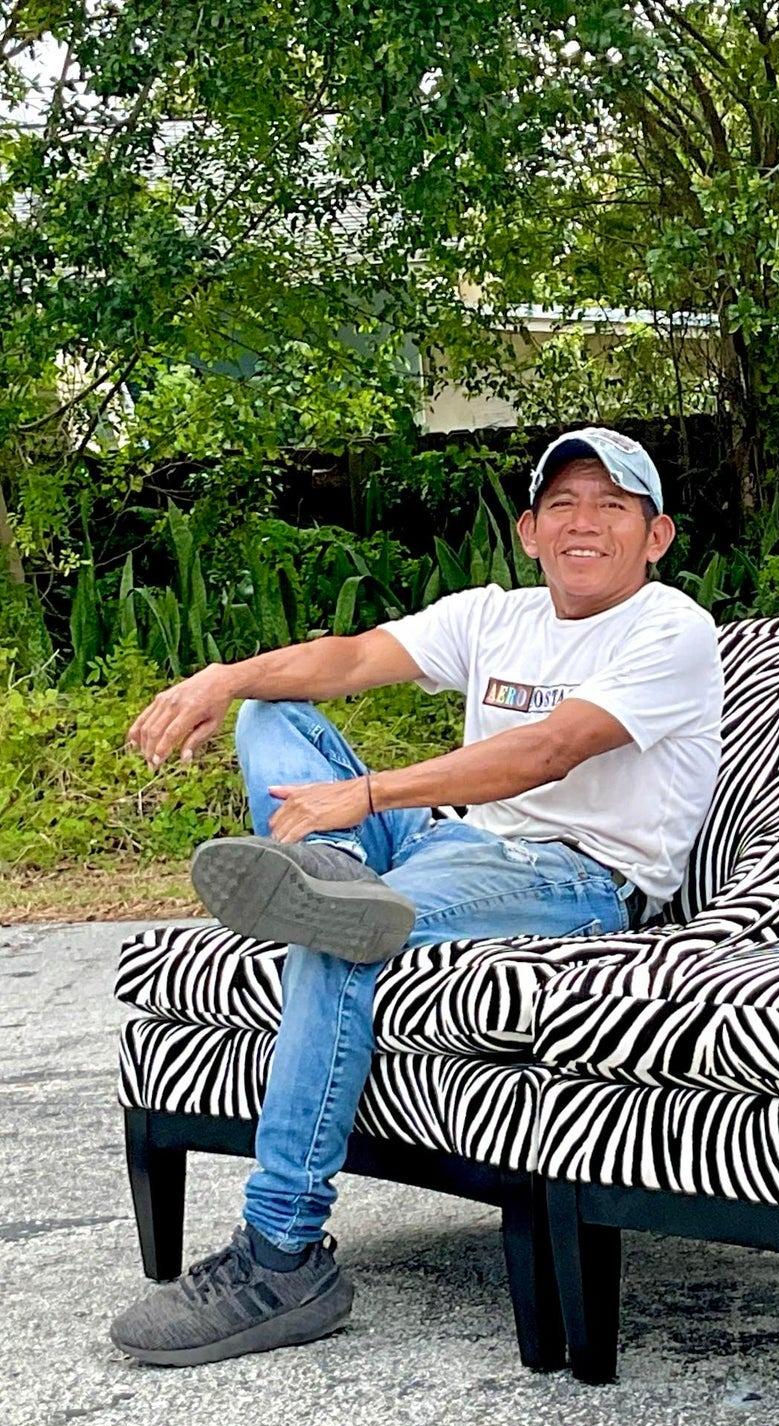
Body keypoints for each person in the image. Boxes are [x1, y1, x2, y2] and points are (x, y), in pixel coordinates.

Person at [110, 426, 723, 1367]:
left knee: (342, 939)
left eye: (613, 505)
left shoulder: (668, 627)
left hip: (571, 872)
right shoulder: (496, 614)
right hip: (450, 840)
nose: (584, 522)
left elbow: (547, 752)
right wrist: (222, 678)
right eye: (562, 504)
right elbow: (350, 660)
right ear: (528, 530)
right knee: (277, 712)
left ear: (657, 535)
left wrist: (366, 794)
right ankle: (343, 877)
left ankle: (283, 1256)